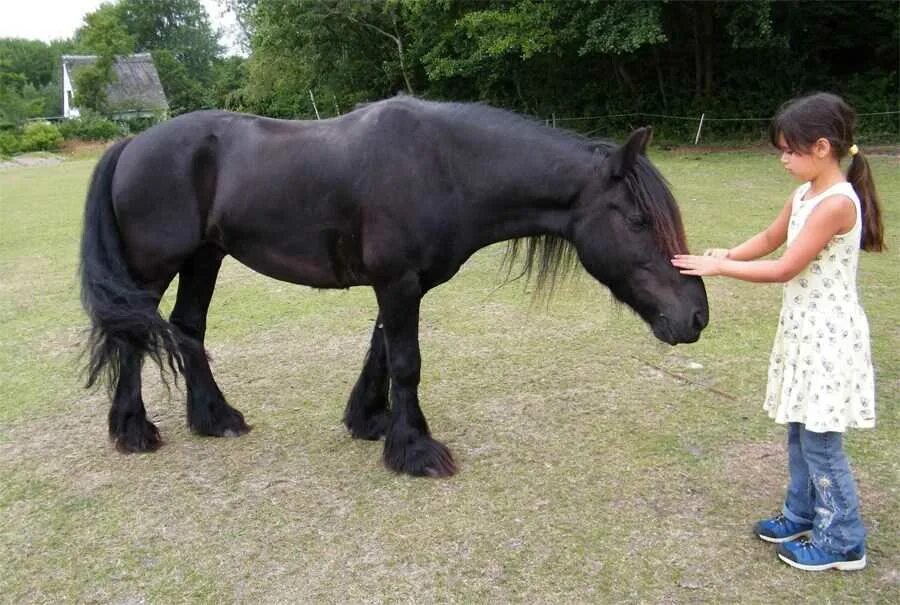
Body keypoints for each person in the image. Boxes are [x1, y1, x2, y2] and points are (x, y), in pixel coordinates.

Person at [671, 92, 885, 572]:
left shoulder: (836, 203)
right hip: (804, 334)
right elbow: (770, 239)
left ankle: (843, 539)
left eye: (790, 150)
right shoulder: (805, 195)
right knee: (798, 431)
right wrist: (726, 254)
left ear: (823, 147)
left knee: (821, 441)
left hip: (830, 337)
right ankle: (802, 513)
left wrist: (720, 271)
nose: (784, 159)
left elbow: (785, 266)